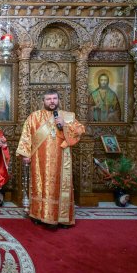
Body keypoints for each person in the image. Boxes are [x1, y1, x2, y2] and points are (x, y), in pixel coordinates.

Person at [16, 89, 85, 228]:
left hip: (61, 159)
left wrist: (65, 125)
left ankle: (62, 217)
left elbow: (80, 130)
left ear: (59, 100)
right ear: (43, 101)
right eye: (48, 99)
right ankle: (38, 215)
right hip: (39, 160)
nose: (52, 101)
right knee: (39, 186)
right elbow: (26, 135)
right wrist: (25, 154)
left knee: (59, 186)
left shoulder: (67, 116)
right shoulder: (34, 117)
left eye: (54, 98)